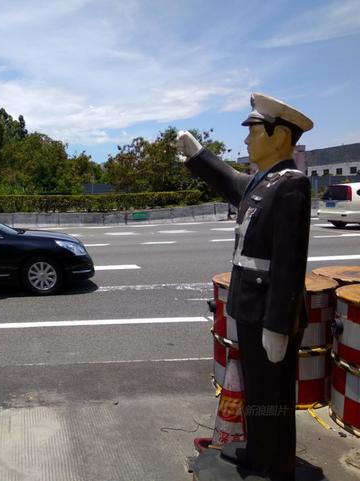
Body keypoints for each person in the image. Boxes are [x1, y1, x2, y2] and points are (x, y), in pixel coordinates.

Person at [176, 93, 313, 481]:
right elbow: (231, 183)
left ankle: (274, 465)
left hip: (270, 312)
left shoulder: (292, 186)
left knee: (273, 397)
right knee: (258, 391)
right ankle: (258, 452)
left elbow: (289, 263)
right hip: (251, 307)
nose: (248, 140)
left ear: (280, 136)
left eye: (254, 132)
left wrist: (278, 324)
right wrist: (199, 154)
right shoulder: (263, 182)